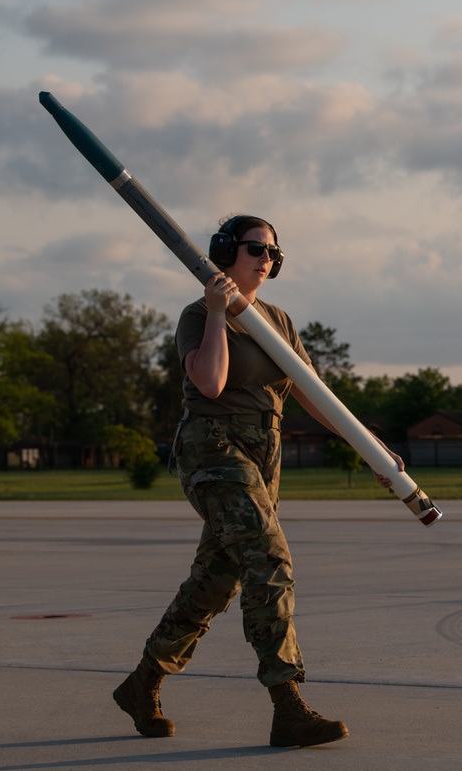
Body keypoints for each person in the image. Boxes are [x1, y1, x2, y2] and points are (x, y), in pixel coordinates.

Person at [113, 214, 403, 747]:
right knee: (270, 561)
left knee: (216, 579)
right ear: (224, 251)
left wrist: (373, 450)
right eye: (254, 248)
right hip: (213, 448)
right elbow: (210, 379)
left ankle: (143, 682)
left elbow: (313, 394)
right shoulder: (198, 315)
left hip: (262, 455)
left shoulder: (278, 320)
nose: (266, 259)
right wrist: (221, 312)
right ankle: (287, 704)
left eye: (273, 253)